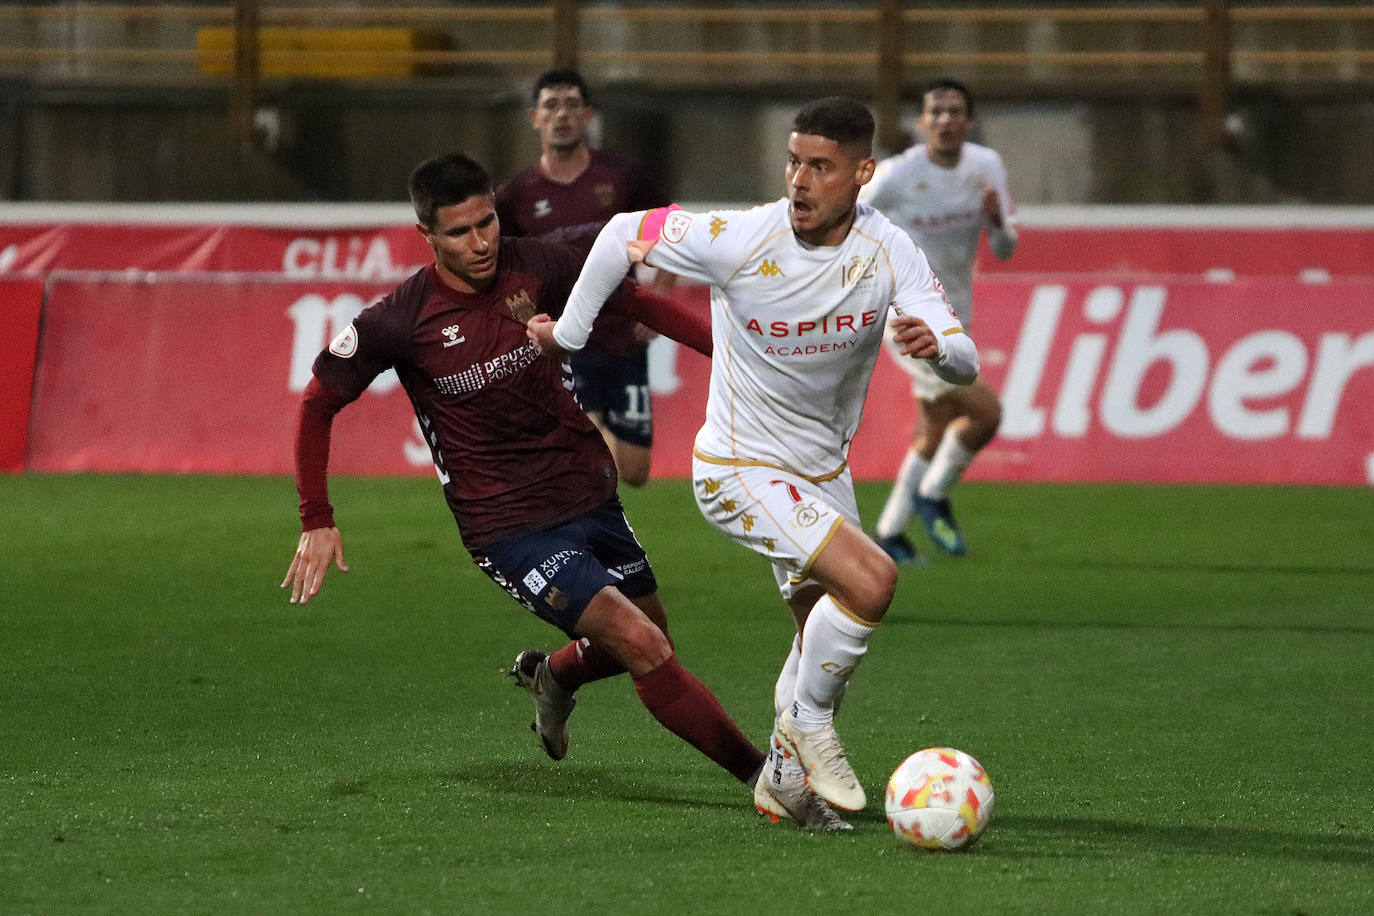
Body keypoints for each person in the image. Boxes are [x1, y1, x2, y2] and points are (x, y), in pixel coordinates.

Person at [280, 152, 784, 823]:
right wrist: (317, 515)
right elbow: (318, 402)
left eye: (486, 221)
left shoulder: (537, 265)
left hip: (587, 493)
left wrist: (741, 358)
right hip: (507, 525)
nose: (481, 241)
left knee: (646, 639)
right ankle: (770, 779)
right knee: (643, 644)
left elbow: (635, 302)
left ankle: (555, 674)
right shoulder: (400, 319)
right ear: (428, 235)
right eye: (459, 232)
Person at [528, 98, 979, 828]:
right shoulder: (740, 236)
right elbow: (619, 236)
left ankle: (781, 779)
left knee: (820, 638)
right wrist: (570, 338)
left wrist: (939, 347)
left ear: (862, 173)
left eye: (820, 166)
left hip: (821, 473)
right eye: (794, 161)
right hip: (737, 466)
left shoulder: (888, 247)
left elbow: (965, 360)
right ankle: (809, 728)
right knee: (874, 581)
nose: (800, 180)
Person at [859, 78, 1018, 562]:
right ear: (922, 122)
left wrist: (996, 220)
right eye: (937, 111)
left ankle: (888, 533)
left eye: (955, 111)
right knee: (987, 413)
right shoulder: (897, 174)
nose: (946, 119)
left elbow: (1006, 249)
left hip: (955, 315)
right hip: (906, 318)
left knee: (935, 428)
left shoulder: (986, 166)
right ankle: (933, 495)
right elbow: (847, 219)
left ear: (968, 121)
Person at [495, 67, 673, 487]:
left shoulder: (622, 177)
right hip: (566, 340)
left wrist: (658, 301)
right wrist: (526, 319)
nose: (562, 115)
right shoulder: (516, 195)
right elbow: (503, 269)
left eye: (572, 104)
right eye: (551, 106)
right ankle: (594, 540)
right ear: (534, 118)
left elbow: (675, 232)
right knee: (592, 456)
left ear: (589, 115)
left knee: (635, 472)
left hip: (623, 335)